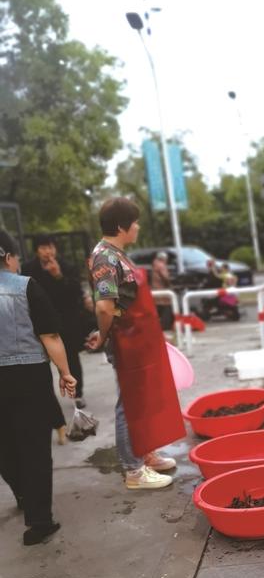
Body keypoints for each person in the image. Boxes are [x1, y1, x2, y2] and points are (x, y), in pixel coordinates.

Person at [85, 198, 186, 490]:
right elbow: (105, 307)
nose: (138, 227)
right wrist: (104, 335)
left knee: (142, 400)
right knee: (128, 403)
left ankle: (144, 453)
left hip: (138, 339)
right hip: (125, 341)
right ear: (121, 227)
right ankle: (133, 470)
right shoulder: (105, 257)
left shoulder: (116, 254)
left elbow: (121, 302)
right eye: (135, 222)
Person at [0, 231, 77, 545]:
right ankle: (39, 520)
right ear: (8, 257)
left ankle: (21, 492)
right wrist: (65, 372)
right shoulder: (26, 286)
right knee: (33, 445)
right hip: (29, 375)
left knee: (4, 443)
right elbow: (50, 335)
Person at [22, 234, 88, 408]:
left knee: (71, 357)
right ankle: (47, 398)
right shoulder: (28, 269)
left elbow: (76, 292)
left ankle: (78, 393)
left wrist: (58, 275)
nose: (48, 252)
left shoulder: (67, 266)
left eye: (51, 247)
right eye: (43, 248)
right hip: (39, 321)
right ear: (36, 250)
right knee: (41, 361)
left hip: (65, 320)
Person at [151, 250, 174, 331]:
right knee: (167, 306)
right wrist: (170, 284)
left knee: (158, 307)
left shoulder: (155, 264)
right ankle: (165, 325)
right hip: (162, 289)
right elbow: (165, 277)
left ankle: (155, 324)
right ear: (164, 258)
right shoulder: (161, 265)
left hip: (155, 288)